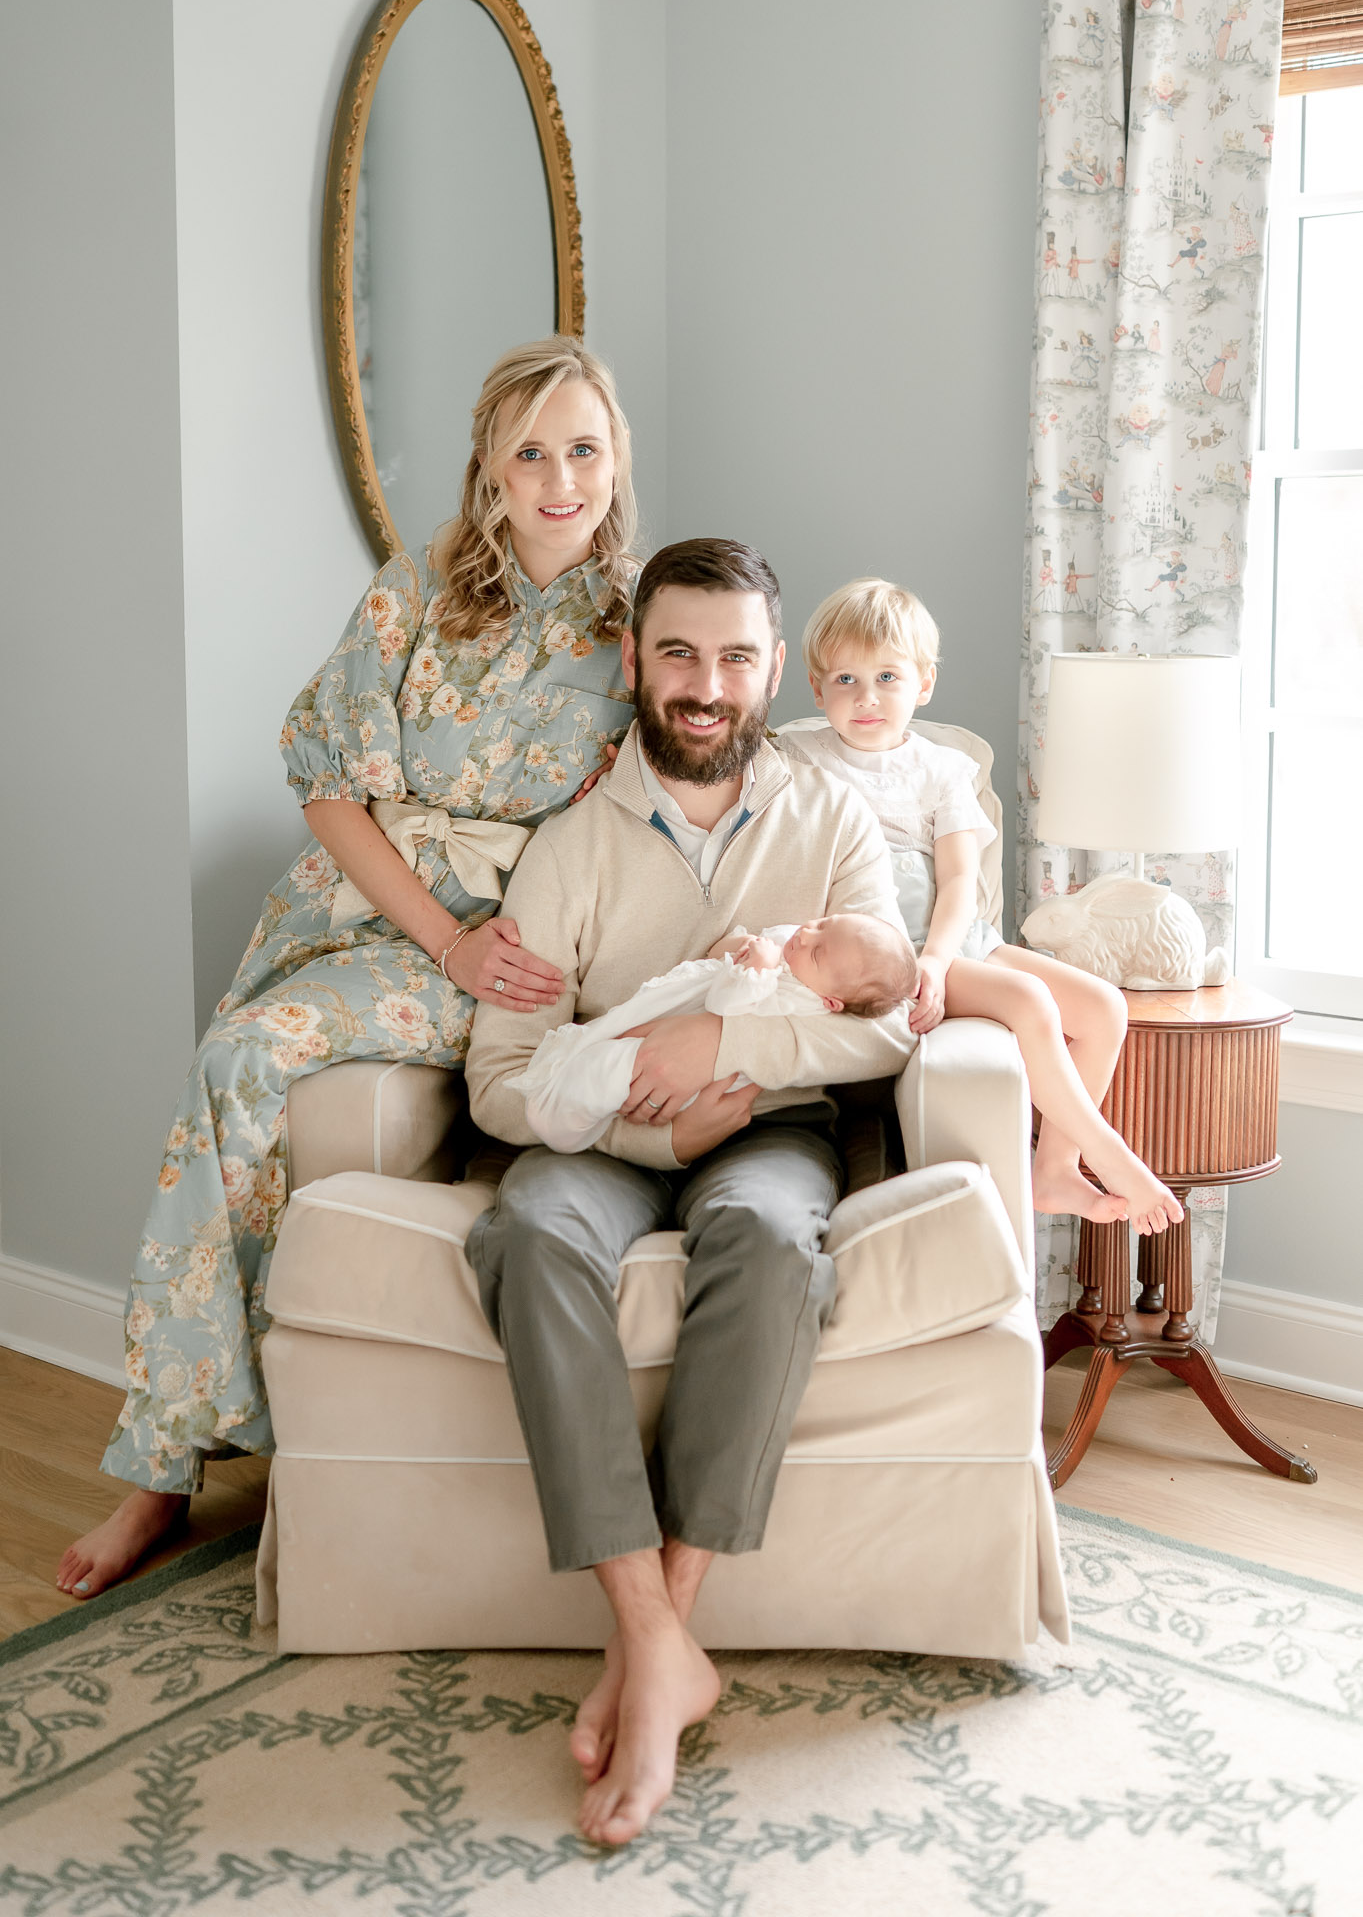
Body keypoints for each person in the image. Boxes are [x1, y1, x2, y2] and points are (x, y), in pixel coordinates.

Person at [56, 336, 640, 1601]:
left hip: (498, 942)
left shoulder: (637, 624)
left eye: (582, 448)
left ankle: (205, 1455)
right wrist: (435, 929)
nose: (558, 479)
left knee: (242, 1055)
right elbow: (326, 782)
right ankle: (171, 1460)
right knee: (233, 1080)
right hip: (364, 908)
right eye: (530, 450)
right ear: (489, 460)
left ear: (616, 458)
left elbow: (704, 766)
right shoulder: (417, 585)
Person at [463, 538, 913, 1847]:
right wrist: (649, 1123)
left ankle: (660, 1639)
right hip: (600, 1140)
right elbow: (498, 1081)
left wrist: (723, 1049)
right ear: (634, 662)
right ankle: (654, 1642)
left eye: (733, 657)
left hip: (771, 1132)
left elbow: (884, 1031)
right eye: (677, 653)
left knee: (772, 1240)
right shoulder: (568, 848)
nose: (704, 684)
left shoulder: (832, 820)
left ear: (772, 669)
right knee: (525, 1235)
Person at [789, 576, 1183, 1237]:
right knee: (1028, 1004)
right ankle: (1108, 1154)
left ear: (923, 684)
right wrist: (923, 966)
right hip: (893, 946)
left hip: (954, 937)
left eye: (887, 677)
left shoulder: (942, 769)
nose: (866, 698)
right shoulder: (800, 760)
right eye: (845, 680)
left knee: (1101, 1007)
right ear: (815, 688)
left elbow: (958, 879)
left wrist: (942, 962)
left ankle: (1054, 1166)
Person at [508, 913, 917, 1152]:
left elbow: (727, 1008)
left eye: (817, 950)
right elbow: (723, 951)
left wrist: (756, 969)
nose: (806, 934)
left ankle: (563, 1119)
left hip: (715, 1101)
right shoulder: (801, 956)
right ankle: (563, 1096)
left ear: (831, 1003)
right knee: (598, 1050)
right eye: (822, 923)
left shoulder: (801, 999)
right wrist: (743, 944)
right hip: (666, 1036)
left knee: (609, 1070)